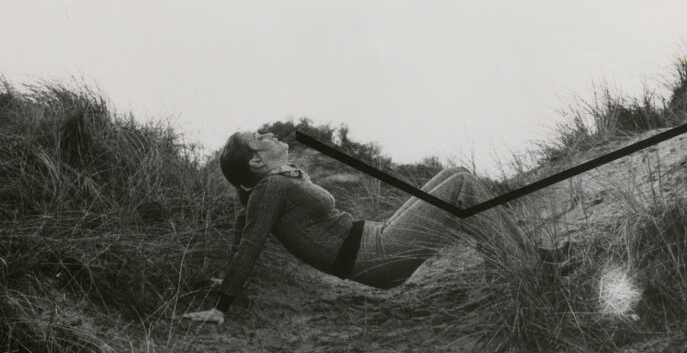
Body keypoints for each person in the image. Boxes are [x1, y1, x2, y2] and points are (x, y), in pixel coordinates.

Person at [182, 130, 538, 324]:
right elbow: (249, 242)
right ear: (257, 161)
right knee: (460, 183)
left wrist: (225, 278)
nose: (271, 135)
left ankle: (516, 257)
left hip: (375, 238)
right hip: (377, 257)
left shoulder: (271, 184)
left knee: (453, 175)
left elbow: (242, 235)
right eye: (261, 137)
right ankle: (522, 264)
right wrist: (221, 305)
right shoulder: (269, 189)